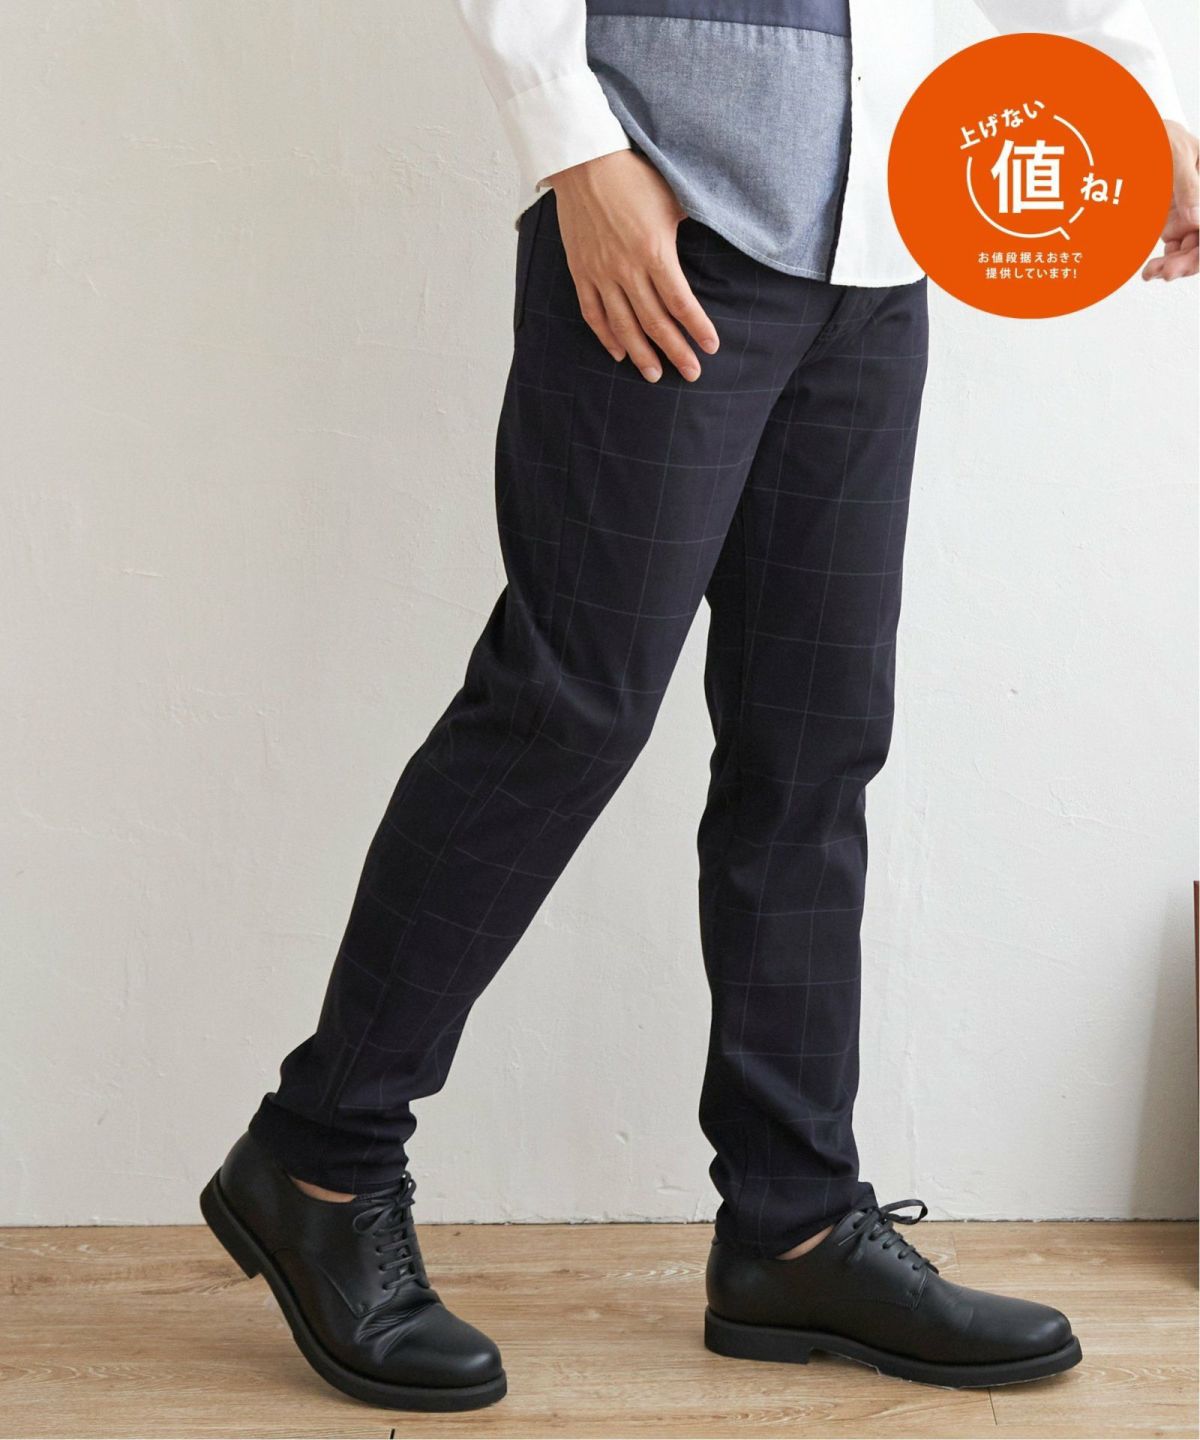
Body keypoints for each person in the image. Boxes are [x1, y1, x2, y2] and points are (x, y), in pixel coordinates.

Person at [200, 0, 1197, 1412]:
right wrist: (574, 145)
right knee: (565, 708)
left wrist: (1137, 102)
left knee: (815, 743)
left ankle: (795, 1226)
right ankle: (319, 1158)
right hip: (669, 206)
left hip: (885, 231)